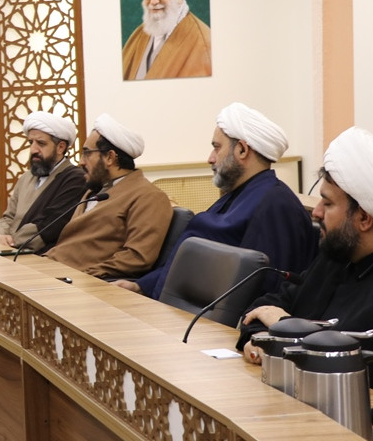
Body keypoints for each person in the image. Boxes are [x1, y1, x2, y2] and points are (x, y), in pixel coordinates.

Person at [238, 127, 373, 420]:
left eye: (328, 203)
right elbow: (266, 306)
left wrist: (283, 328)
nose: (316, 212)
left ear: (364, 217)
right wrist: (260, 338)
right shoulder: (338, 255)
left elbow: (358, 369)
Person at [117, 103, 317, 298]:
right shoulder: (236, 195)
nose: (210, 158)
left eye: (217, 148)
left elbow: (265, 288)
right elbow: (185, 265)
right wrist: (140, 286)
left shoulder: (275, 205)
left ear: (242, 150)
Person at [44, 114, 172, 279]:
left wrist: (84, 276)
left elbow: (137, 257)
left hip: (79, 282)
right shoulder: (95, 191)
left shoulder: (149, 196)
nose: (81, 162)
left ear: (110, 157)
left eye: (87, 153)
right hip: (52, 270)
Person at [0, 109, 87, 252]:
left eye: (41, 143)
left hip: (37, 255)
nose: (33, 149)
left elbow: (49, 226)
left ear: (60, 147)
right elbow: (8, 217)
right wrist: (0, 235)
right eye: (31, 142)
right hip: (9, 250)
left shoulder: (75, 179)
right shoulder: (26, 178)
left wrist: (12, 242)